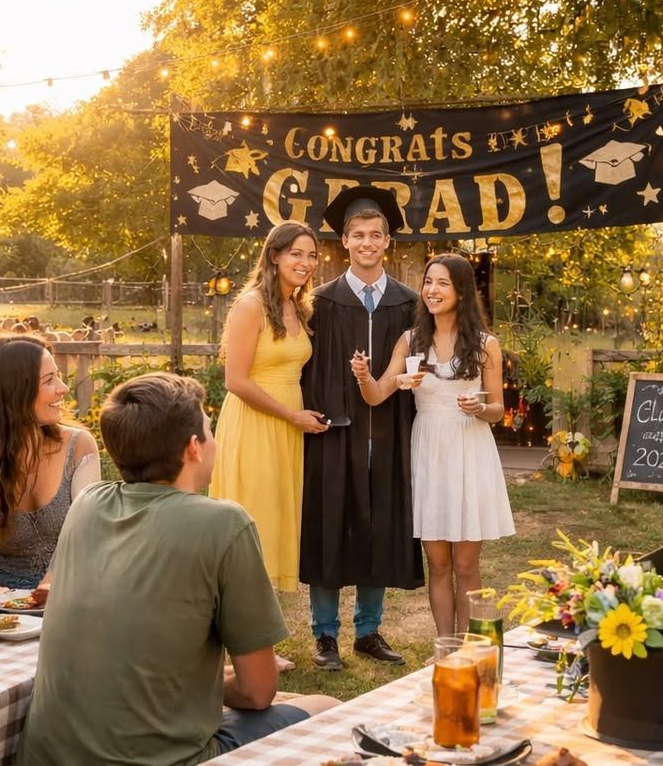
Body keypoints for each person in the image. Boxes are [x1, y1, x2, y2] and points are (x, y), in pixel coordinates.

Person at [16, 373, 337, 766]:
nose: (213, 437)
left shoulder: (87, 504)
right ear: (193, 447)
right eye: (209, 427)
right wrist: (203, 688)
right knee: (326, 708)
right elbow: (259, 691)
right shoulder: (223, 523)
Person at [352, 253, 515, 634]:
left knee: (466, 565)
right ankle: (445, 644)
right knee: (438, 563)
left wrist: (479, 407)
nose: (432, 290)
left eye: (442, 283)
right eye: (428, 282)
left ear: (461, 290)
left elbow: (498, 411)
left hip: (470, 452)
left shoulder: (484, 344)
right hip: (428, 453)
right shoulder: (411, 341)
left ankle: (469, 644)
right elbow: (376, 395)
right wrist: (363, 376)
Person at [299, 186, 422, 671]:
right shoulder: (321, 303)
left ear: (388, 241)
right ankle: (325, 635)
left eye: (376, 235)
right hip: (335, 433)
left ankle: (368, 631)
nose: (367, 243)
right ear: (344, 242)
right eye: (358, 235)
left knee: (377, 524)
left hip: (391, 432)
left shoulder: (409, 303)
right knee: (331, 525)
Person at [209, 220, 325, 671]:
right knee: (248, 532)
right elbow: (235, 380)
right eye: (296, 253)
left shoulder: (298, 306)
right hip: (256, 425)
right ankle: (230, 649)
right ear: (273, 255)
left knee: (273, 526)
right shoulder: (250, 305)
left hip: (287, 430)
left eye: (312, 255)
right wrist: (291, 415)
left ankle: (255, 647)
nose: (305, 262)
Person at [0, 335, 101, 590]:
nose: (63, 388)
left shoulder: (79, 446)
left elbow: (86, 535)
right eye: (49, 380)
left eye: (57, 376)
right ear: (12, 394)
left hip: (76, 593)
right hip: (8, 608)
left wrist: (50, 587)